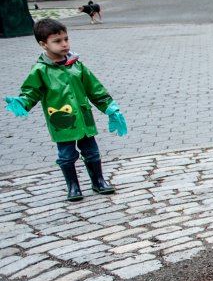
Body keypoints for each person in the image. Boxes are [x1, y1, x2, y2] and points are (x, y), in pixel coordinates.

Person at [4, 19, 128, 202]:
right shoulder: (40, 70)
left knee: (92, 152)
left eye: (66, 39)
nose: (64, 44)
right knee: (66, 156)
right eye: (57, 41)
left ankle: (98, 181)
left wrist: (110, 108)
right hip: (62, 122)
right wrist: (23, 102)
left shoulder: (77, 66)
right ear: (43, 44)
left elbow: (95, 89)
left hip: (84, 119)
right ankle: (73, 186)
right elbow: (31, 91)